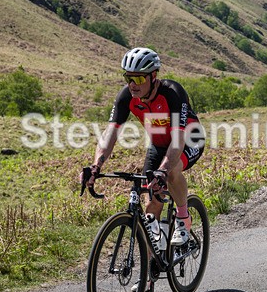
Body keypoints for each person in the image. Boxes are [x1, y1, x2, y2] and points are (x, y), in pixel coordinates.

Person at [81, 47, 205, 246]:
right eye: (128, 78)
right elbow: (110, 134)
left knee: (171, 172)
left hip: (189, 139)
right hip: (159, 144)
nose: (132, 85)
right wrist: (96, 166)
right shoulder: (126, 97)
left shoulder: (173, 93)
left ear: (153, 76)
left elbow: (178, 141)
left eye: (138, 79)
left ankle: (183, 218)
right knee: (151, 208)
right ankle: (150, 272)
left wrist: (163, 170)